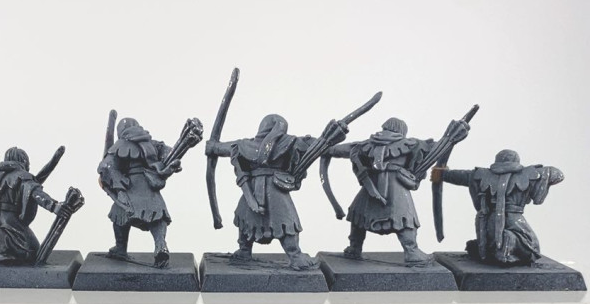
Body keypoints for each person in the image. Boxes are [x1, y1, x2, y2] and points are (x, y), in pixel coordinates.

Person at [205, 114, 334, 269]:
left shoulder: (247, 145)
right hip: (263, 190)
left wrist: (213, 147)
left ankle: (293, 255)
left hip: (267, 189)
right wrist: (213, 147)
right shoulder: (284, 142)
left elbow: (315, 145)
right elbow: (314, 144)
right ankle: (249, 251)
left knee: (283, 220)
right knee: (252, 220)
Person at [327, 117, 438, 266]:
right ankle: (412, 252)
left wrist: (327, 146)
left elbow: (342, 149)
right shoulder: (410, 144)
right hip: (395, 188)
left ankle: (355, 247)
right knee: (405, 219)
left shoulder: (367, 144)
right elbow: (433, 148)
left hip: (373, 186)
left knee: (359, 216)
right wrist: (448, 141)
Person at [431, 149, 564, 265]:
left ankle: (501, 249)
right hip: (510, 219)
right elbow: (557, 174)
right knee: (530, 246)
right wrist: (442, 174)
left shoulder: (481, 175)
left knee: (528, 245)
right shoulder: (528, 174)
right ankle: (502, 250)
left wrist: (441, 174)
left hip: (494, 219)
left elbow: (460, 176)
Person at [98, 118, 182, 267]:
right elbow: (170, 153)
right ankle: (160, 245)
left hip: (130, 188)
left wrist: (113, 182)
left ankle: (121, 248)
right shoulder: (152, 143)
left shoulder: (119, 145)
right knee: (157, 218)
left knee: (120, 217)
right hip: (150, 188)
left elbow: (106, 166)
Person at [0, 147, 64, 265]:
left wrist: (53, 161)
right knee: (33, 252)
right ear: (23, 161)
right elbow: (35, 192)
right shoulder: (23, 177)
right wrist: (54, 206)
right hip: (12, 224)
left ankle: (1, 252)